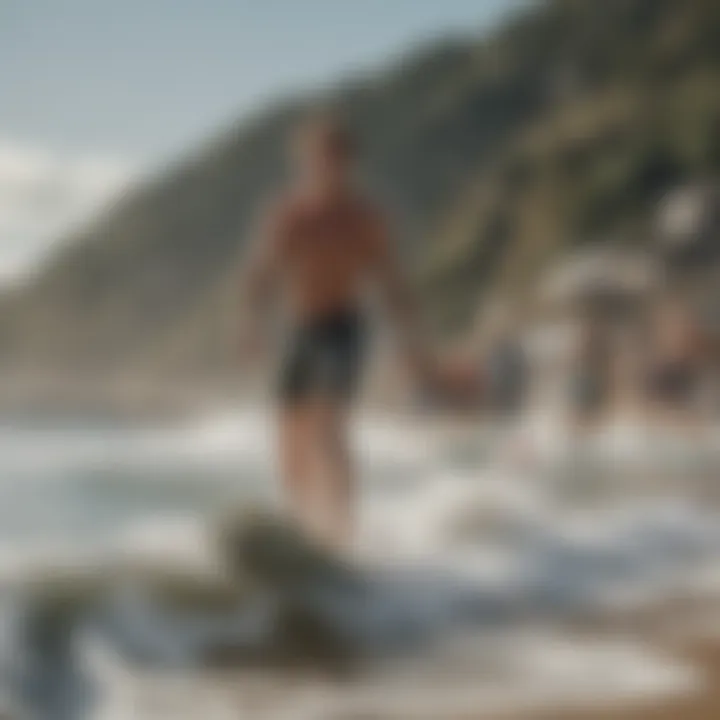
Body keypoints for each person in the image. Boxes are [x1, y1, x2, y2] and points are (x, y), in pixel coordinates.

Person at [240, 111, 433, 549]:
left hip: (343, 326)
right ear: (305, 161)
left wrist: (411, 343)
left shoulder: (364, 218)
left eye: (338, 157)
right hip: (299, 328)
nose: (329, 166)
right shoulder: (289, 215)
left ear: (350, 162)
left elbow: (391, 281)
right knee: (290, 436)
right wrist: (251, 324)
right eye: (319, 157)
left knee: (329, 427)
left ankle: (344, 531)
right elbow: (263, 274)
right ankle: (299, 527)